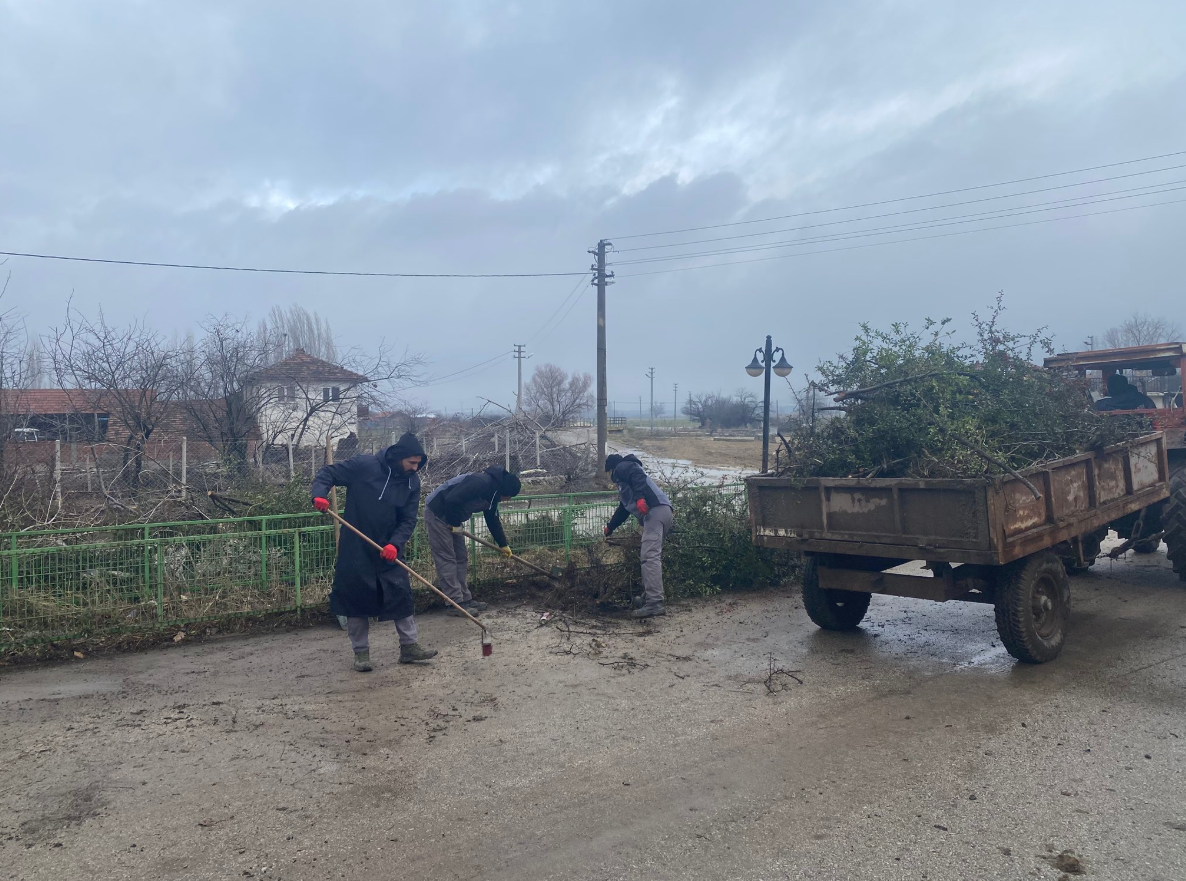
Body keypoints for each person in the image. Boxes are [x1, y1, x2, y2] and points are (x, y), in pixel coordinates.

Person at [311, 432, 437, 672]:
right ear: (399, 457)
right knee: (356, 600)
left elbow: (408, 519)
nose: (416, 467)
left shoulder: (412, 482)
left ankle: (409, 647)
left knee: (401, 595)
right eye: (412, 462)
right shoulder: (364, 466)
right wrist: (319, 494)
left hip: (388, 548)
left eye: (419, 463)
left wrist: (395, 544)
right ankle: (361, 654)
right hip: (355, 546)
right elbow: (328, 473)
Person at [423, 465, 522, 617]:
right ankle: (454, 603)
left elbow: (492, 518)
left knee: (461, 557)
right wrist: (455, 524)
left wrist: (503, 544)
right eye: (508, 496)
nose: (507, 499)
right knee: (447, 558)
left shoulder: (493, 494)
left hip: (452, 517)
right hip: (438, 513)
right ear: (504, 490)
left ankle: (465, 598)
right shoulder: (480, 482)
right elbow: (451, 499)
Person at [602, 454, 674, 619]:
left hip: (654, 511)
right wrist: (610, 527)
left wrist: (641, 498)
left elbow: (637, 475)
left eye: (608, 473)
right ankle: (648, 596)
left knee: (649, 557)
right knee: (652, 556)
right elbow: (623, 510)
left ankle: (654, 603)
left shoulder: (623, 467)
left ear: (611, 469)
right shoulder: (626, 487)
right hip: (663, 511)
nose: (610, 478)